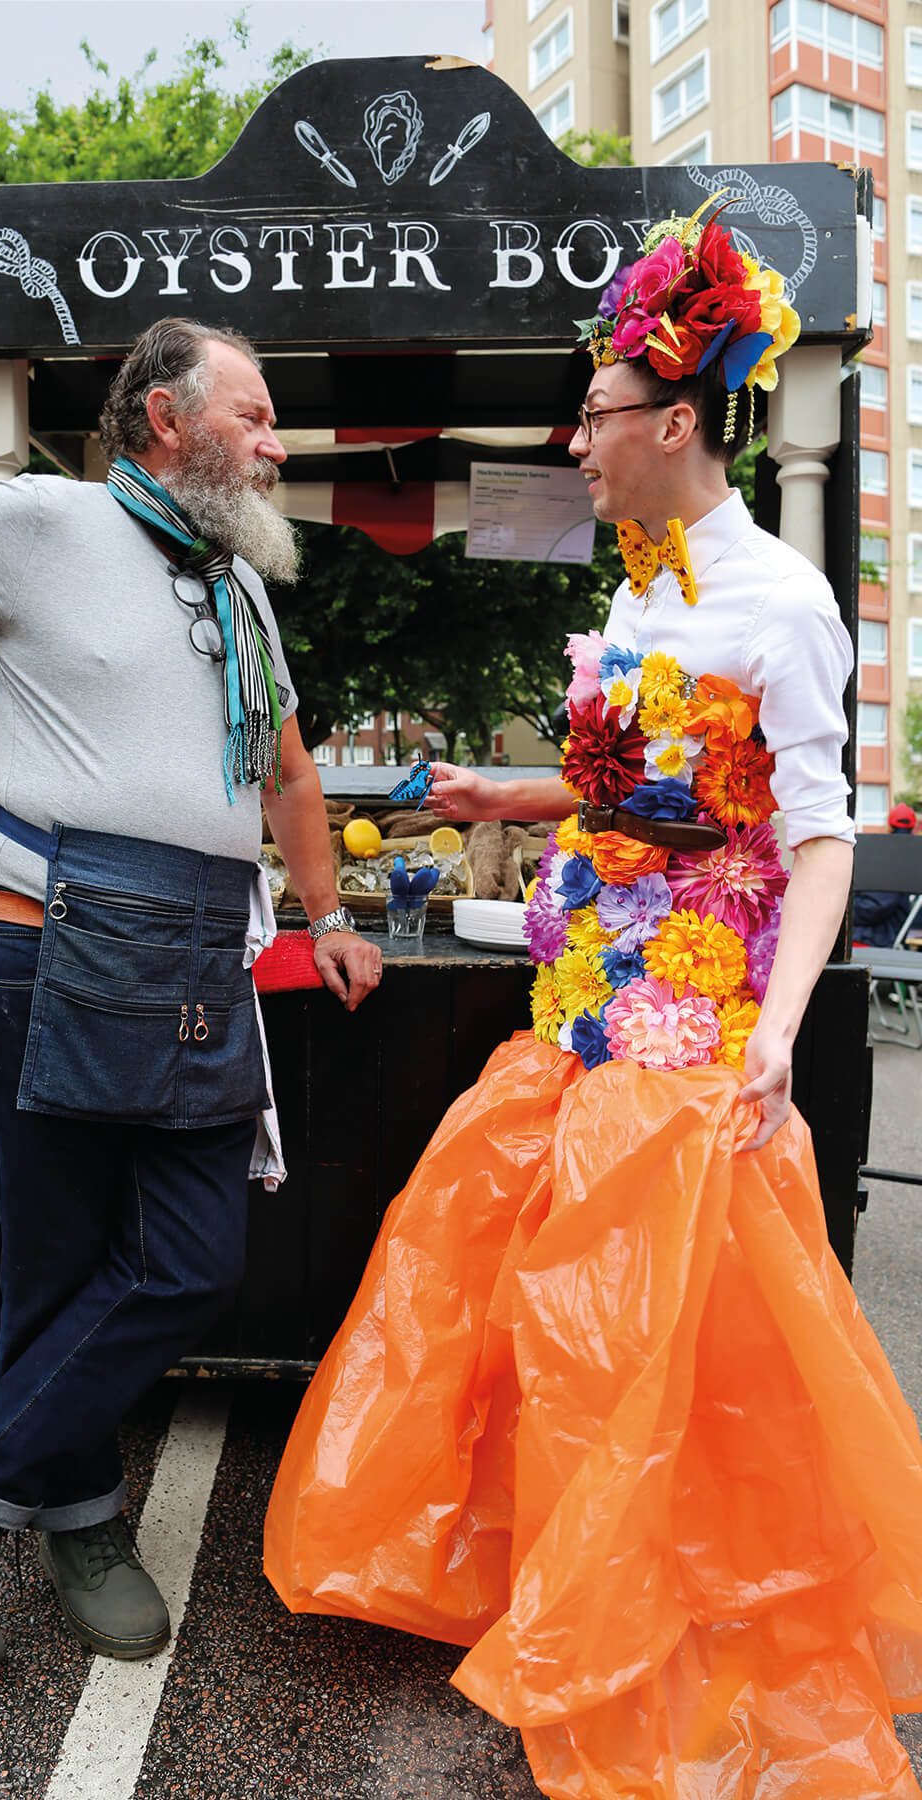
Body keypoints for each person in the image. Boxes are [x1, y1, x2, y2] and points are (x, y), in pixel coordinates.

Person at [265, 215, 922, 1797]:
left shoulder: (782, 603)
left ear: (675, 423)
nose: (576, 443)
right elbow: (628, 795)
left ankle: (648, 1629)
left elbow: (818, 837)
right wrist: (507, 791)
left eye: (596, 416)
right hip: (584, 1016)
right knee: (534, 1321)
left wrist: (776, 1032)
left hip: (695, 1050)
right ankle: (545, 1593)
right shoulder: (634, 594)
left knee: (648, 1358)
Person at [0, 317, 382, 1685]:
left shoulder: (239, 587)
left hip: (194, 957)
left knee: (192, 1262)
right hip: (47, 943)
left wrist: (332, 914)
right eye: (255, 414)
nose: (278, 444)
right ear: (165, 417)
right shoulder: (40, 520)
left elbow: (289, 775)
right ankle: (82, 1522)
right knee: (54, 1266)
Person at [853, 801, 918, 948]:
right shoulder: (911, 856)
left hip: (872, 939)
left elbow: (875, 907)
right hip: (888, 935)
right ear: (913, 828)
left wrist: (844, 909)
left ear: (889, 827)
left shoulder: (889, 857)